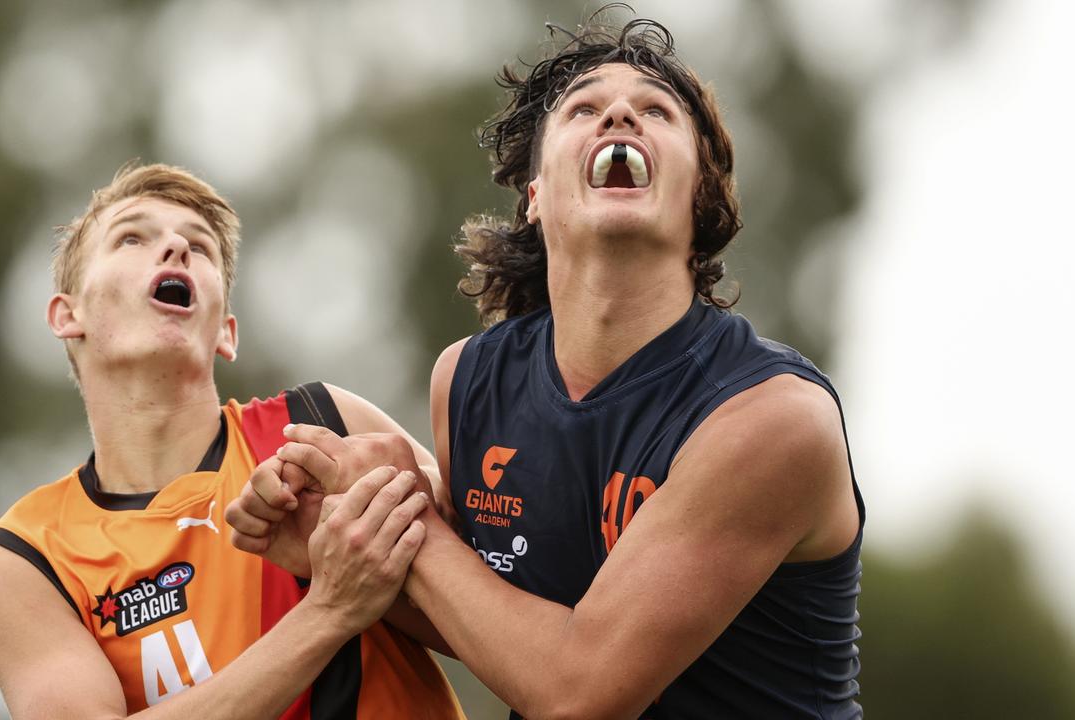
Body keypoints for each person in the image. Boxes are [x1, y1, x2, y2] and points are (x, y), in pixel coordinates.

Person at [230, 16, 864, 719]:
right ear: (534, 197)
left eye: (657, 111)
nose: (621, 113)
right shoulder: (466, 380)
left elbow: (575, 692)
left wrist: (410, 521)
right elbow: (491, 628)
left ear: (700, 199)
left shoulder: (772, 418)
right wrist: (336, 545)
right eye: (584, 108)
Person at [0, 163, 465, 719]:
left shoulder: (322, 425)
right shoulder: (26, 557)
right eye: (132, 236)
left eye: (199, 246)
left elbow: (505, 619)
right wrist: (328, 610)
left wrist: (380, 573)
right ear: (67, 315)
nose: (177, 246)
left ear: (225, 331)